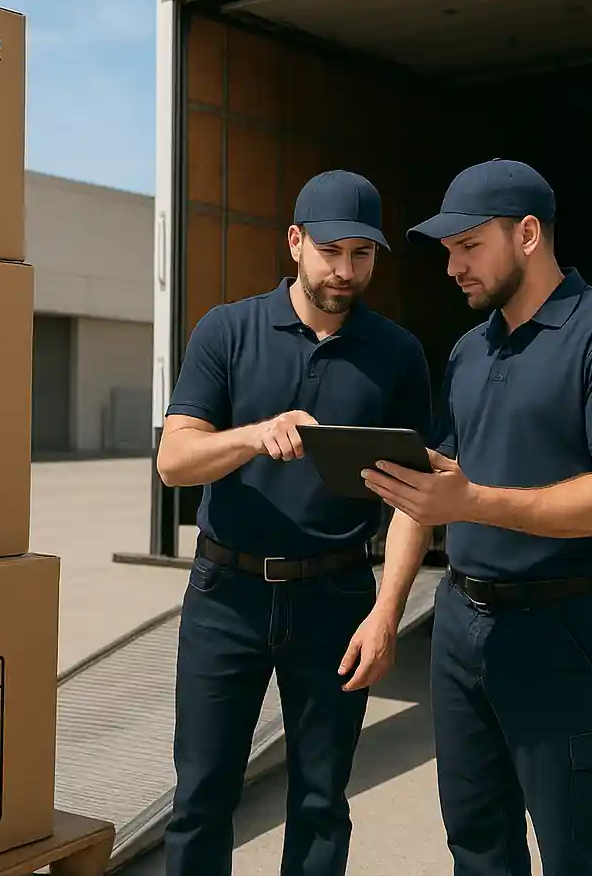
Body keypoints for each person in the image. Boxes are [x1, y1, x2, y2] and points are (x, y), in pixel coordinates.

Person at [363, 159, 592, 876]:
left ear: (528, 234)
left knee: (575, 853)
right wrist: (386, 612)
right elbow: (429, 488)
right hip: (460, 630)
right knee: (476, 845)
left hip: (560, 631)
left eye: (468, 247)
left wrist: (472, 503)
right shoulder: (471, 350)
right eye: (448, 253)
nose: (452, 269)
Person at [157, 170, 435, 876]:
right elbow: (175, 461)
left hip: (337, 601)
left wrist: (386, 614)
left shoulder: (397, 355)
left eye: (362, 255)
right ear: (294, 242)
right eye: (330, 251)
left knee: (320, 802)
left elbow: (414, 498)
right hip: (227, 596)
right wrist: (254, 435)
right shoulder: (227, 330)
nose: (345, 271)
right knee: (201, 798)